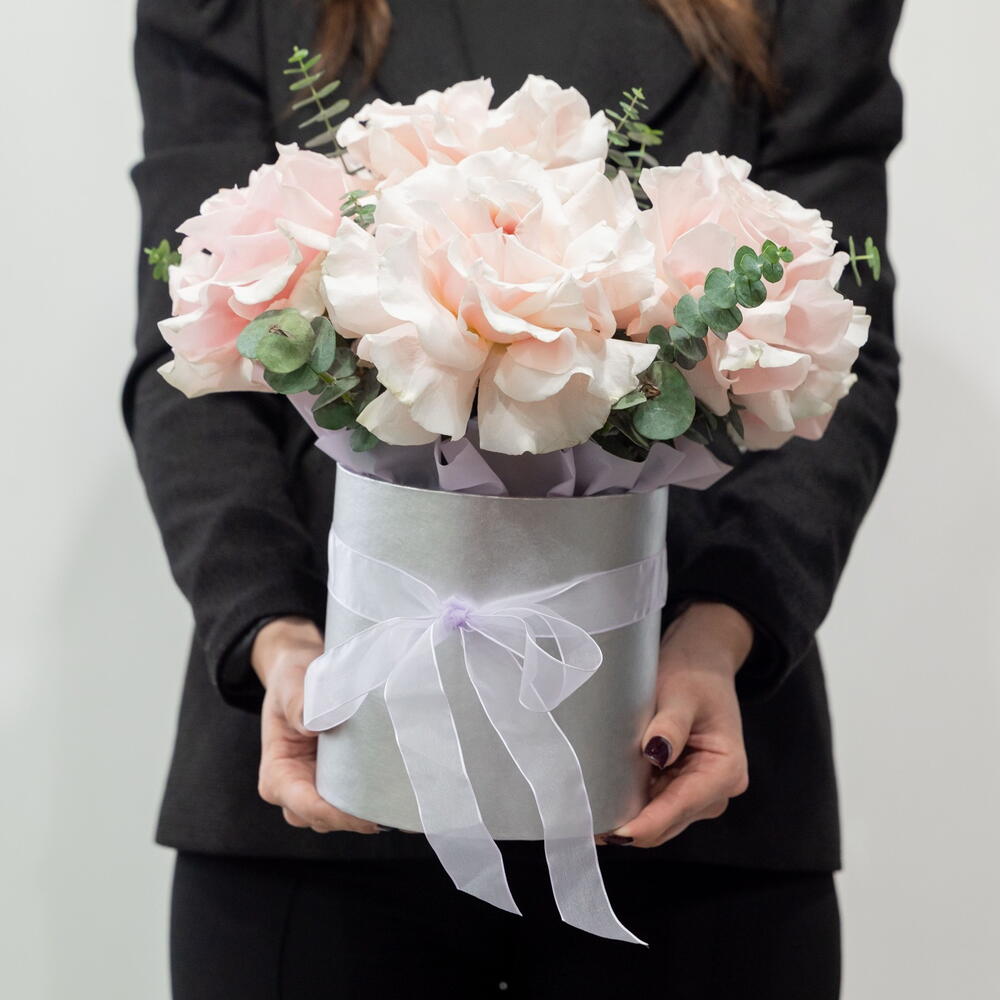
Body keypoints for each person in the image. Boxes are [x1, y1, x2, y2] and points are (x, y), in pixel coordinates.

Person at [125, 0, 903, 996]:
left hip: (685, 774)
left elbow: (835, 352)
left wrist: (721, 632)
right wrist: (272, 635)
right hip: (319, 775)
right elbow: (192, 342)